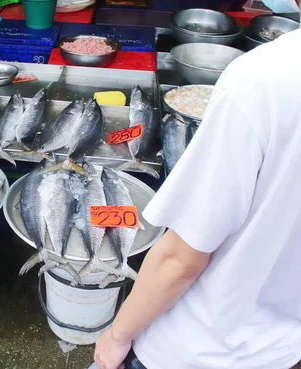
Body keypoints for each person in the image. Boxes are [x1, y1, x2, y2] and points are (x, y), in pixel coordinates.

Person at [93, 3, 301, 369]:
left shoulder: (265, 77)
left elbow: (182, 257)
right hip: (281, 348)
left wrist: (116, 335)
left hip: (193, 348)